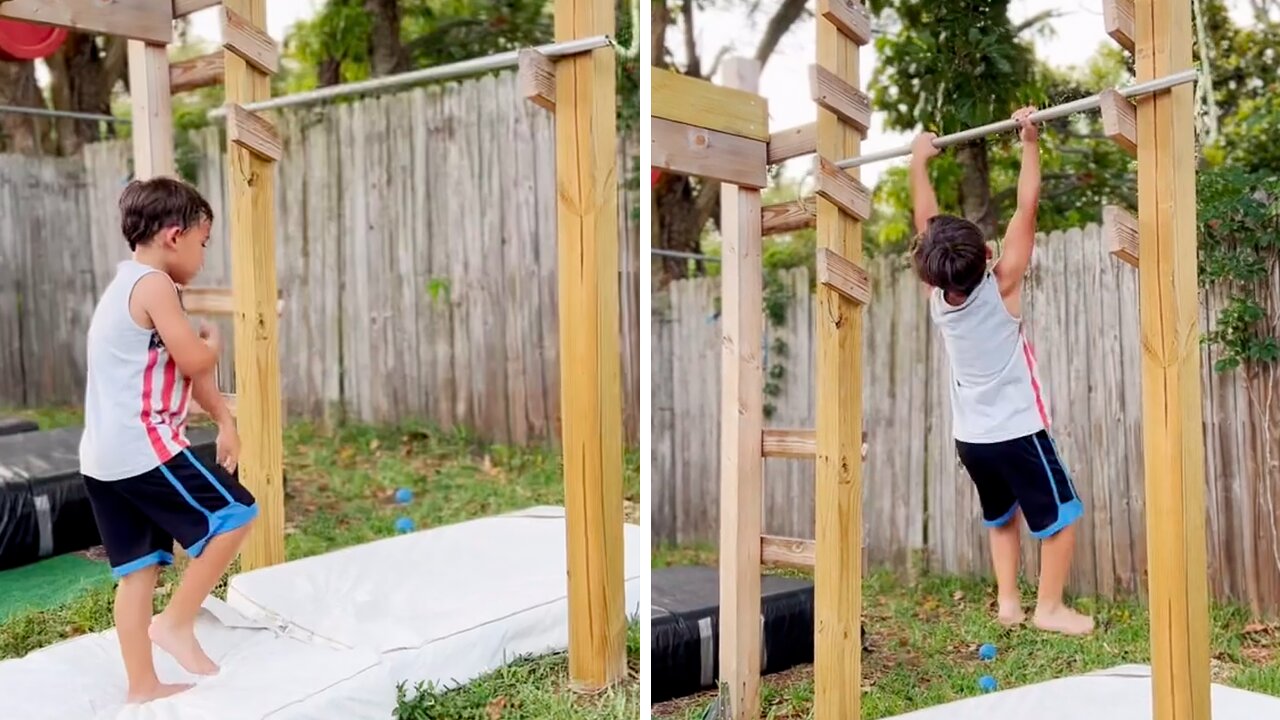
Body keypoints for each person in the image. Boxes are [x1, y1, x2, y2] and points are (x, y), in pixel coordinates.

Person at [908, 108, 1093, 636]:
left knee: (1001, 515)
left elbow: (926, 224)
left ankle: (1009, 603)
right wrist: (1029, 140)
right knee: (1061, 520)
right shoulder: (1004, 285)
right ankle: (1049, 608)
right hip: (1017, 432)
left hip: (972, 440)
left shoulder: (937, 298)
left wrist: (917, 162)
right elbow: (1026, 208)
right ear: (987, 255)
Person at [79, 176, 257, 703]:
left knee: (138, 572)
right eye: (203, 243)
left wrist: (225, 421)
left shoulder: (129, 288)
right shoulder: (154, 285)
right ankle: (175, 623)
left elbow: (191, 378)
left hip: (102, 459)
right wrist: (215, 345)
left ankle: (142, 686)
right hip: (142, 447)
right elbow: (197, 361)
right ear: (174, 235)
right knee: (236, 515)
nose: (204, 257)